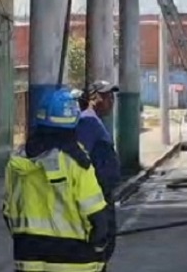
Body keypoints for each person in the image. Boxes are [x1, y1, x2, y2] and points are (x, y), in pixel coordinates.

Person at [3, 88, 111, 271]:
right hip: (76, 263)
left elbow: (7, 213)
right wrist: (99, 247)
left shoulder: (16, 164)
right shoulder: (77, 164)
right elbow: (98, 220)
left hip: (28, 260)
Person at [76, 80, 121, 265]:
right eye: (106, 96)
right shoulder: (87, 123)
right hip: (97, 195)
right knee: (101, 243)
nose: (111, 101)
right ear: (94, 99)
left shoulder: (95, 122)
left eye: (112, 97)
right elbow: (83, 159)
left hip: (103, 192)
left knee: (106, 243)